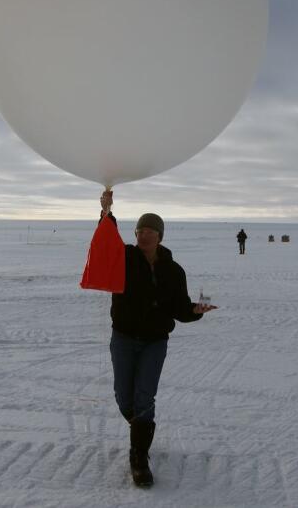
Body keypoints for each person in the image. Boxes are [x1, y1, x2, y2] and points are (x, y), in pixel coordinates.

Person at [98, 189, 216, 488]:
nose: (144, 235)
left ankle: (139, 458)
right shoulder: (123, 257)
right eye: (140, 230)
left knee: (144, 396)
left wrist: (196, 310)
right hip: (123, 338)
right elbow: (105, 243)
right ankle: (141, 427)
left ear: (160, 236)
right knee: (124, 398)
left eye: (150, 230)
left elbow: (179, 308)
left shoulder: (174, 271)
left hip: (154, 341)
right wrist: (106, 211)